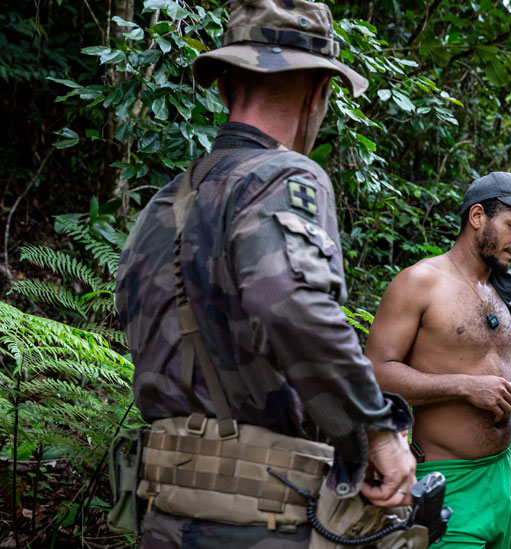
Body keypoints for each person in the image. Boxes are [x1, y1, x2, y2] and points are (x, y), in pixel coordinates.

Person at [115, 1, 417, 545]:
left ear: (226, 86)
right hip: (263, 519)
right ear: (316, 95)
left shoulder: (159, 207)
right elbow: (289, 300)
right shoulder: (286, 175)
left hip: (161, 514)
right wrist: (376, 430)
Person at [364, 172, 511, 548]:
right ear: (478, 216)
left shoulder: (498, 289)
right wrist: (464, 387)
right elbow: (373, 375)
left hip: (509, 474)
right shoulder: (420, 281)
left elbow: (492, 365)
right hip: (450, 483)